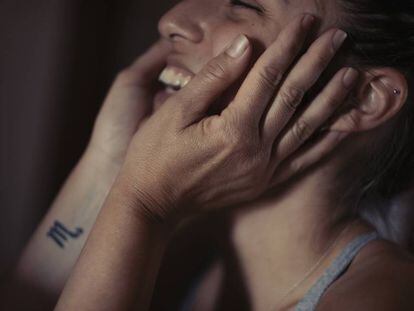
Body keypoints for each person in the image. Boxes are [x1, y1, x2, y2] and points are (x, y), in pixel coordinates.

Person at [5, 0, 414, 310]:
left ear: (362, 98)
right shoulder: (183, 256)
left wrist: (142, 201)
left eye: (243, 5)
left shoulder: (378, 298)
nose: (173, 19)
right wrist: (110, 162)